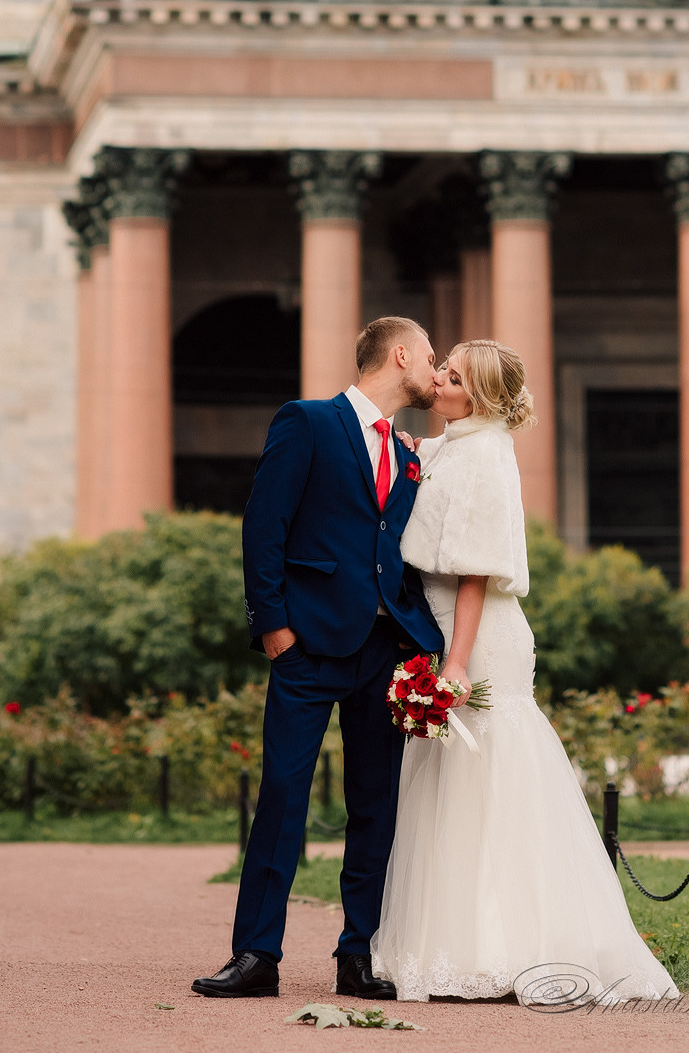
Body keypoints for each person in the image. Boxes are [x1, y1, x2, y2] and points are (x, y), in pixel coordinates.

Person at [371, 340, 679, 1005]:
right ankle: (453, 940)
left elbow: (477, 566)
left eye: (449, 377)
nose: (437, 381)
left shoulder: (483, 453)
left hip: (476, 632)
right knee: (448, 781)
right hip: (441, 621)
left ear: (475, 398)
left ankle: (508, 944)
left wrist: (455, 660)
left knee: (488, 775)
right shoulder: (454, 442)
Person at [192, 317, 445, 1002]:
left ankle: (357, 955)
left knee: (376, 806)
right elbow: (264, 524)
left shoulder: (411, 451)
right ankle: (255, 956)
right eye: (430, 354)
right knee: (281, 799)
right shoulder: (307, 421)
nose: (436, 365)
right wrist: (273, 628)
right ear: (399, 355)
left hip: (386, 653)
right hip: (307, 646)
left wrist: (421, 642)